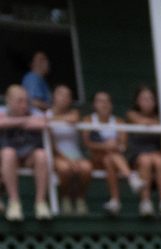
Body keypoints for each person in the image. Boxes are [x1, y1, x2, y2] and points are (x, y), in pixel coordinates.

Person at [1, 84, 52, 221]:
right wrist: (24, 121)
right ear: (9, 101)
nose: (24, 105)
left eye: (26, 101)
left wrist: (13, 122)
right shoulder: (2, 111)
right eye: (20, 101)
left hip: (29, 156)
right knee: (8, 153)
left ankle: (41, 203)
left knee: (41, 155)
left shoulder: (34, 112)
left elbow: (43, 123)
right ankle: (14, 202)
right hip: (8, 158)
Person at [83, 90, 136, 216]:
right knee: (110, 157)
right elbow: (87, 143)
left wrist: (115, 146)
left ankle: (115, 201)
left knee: (109, 160)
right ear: (94, 105)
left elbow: (123, 145)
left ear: (111, 105)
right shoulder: (88, 120)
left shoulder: (118, 121)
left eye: (107, 101)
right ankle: (131, 178)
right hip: (95, 158)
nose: (104, 104)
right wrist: (105, 146)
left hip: (112, 160)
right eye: (100, 101)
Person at [126, 86, 161, 217]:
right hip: (137, 154)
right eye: (143, 98)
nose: (147, 101)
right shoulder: (131, 114)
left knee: (160, 162)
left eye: (150, 98)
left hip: (156, 154)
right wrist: (156, 122)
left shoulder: (160, 117)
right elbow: (141, 121)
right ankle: (145, 202)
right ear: (137, 101)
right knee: (145, 161)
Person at [47, 85, 92, 215]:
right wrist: (66, 159)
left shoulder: (74, 113)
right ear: (54, 97)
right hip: (58, 155)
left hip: (76, 155)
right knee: (64, 169)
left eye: (67, 95)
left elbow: (74, 118)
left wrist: (53, 119)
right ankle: (65, 198)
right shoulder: (46, 114)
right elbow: (51, 144)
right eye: (61, 94)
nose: (64, 98)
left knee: (86, 168)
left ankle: (80, 199)